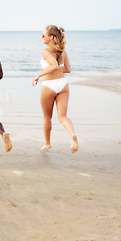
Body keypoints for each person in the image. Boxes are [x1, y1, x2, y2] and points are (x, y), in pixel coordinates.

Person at [32, 25, 78, 153]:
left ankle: (47, 143)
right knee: (63, 116)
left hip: (49, 85)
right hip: (63, 84)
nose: (41, 37)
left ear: (51, 37)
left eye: (43, 35)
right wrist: (57, 70)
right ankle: (72, 134)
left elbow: (54, 65)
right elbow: (67, 69)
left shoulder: (45, 51)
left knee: (47, 117)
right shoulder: (63, 51)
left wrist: (38, 75)